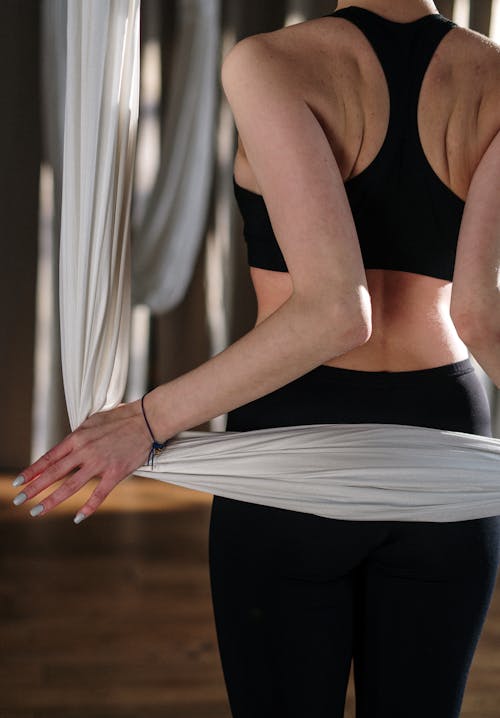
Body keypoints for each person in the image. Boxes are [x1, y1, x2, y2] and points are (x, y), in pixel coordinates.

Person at [11, 0, 500, 716]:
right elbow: (480, 316)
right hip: (446, 436)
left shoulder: (271, 62)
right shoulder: (491, 77)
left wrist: (146, 419)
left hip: (297, 431)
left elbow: (336, 313)